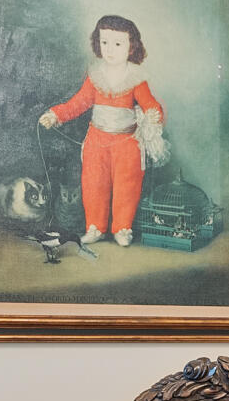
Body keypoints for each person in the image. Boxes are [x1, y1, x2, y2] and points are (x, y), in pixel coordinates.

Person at [37, 14, 167, 246]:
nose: (110, 49)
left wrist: (154, 115)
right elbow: (78, 103)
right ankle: (95, 227)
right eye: (104, 42)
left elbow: (150, 104)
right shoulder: (95, 76)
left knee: (127, 186)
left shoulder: (136, 78)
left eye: (118, 44)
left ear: (131, 47)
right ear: (98, 43)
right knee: (93, 184)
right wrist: (55, 115)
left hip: (127, 142)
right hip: (96, 140)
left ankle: (122, 228)